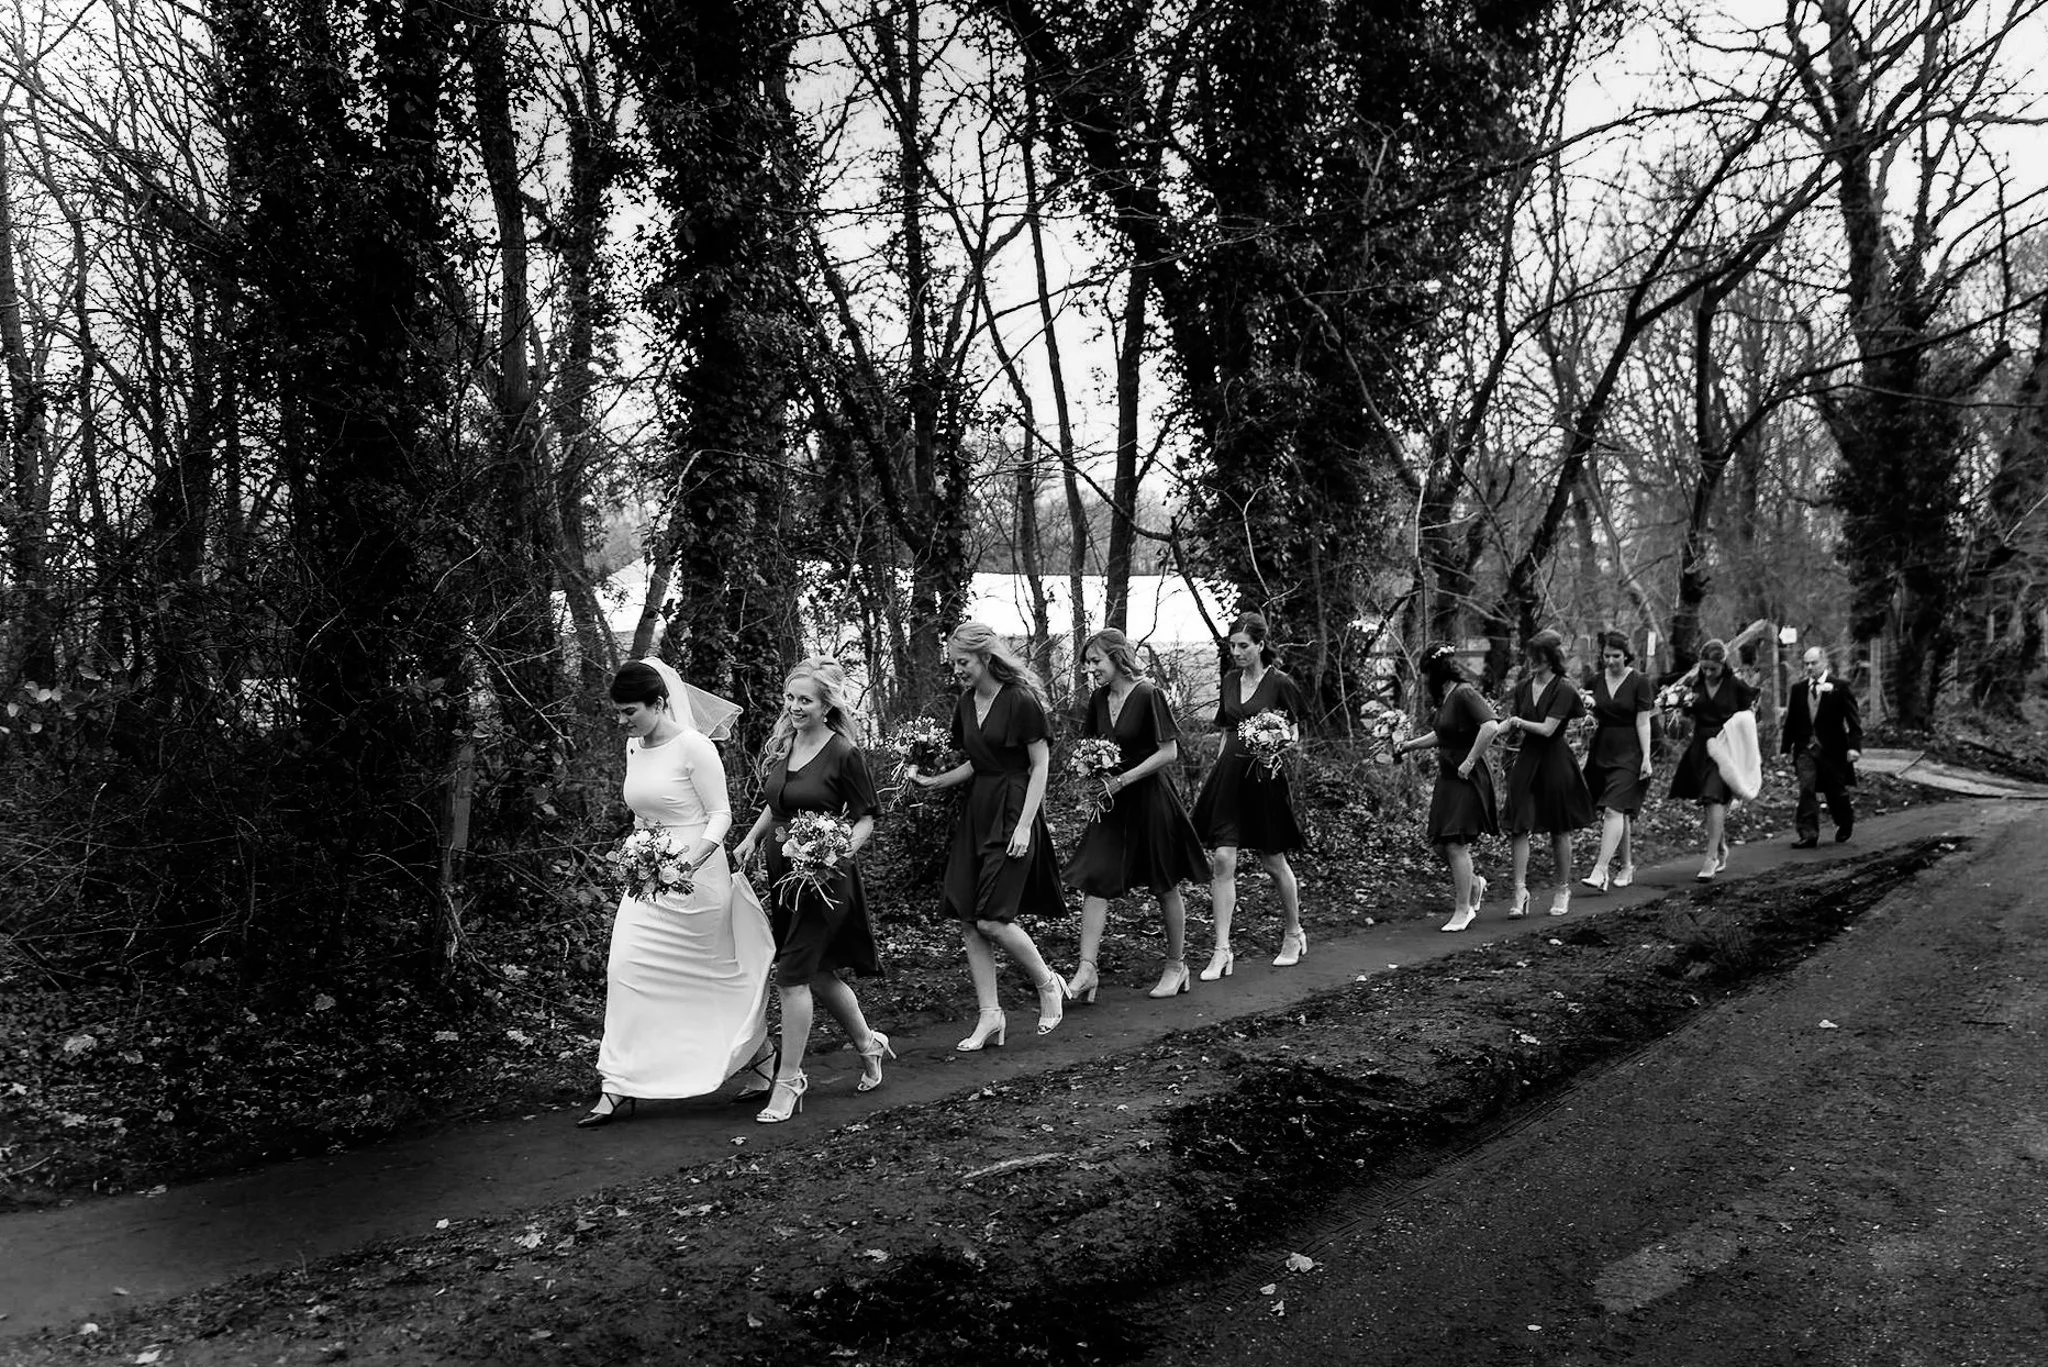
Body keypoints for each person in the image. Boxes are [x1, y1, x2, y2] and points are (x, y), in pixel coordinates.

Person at [579, 658, 774, 1128]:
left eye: (630, 712)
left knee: (709, 977)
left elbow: (721, 815)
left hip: (697, 878)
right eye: (620, 713)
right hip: (647, 877)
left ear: (659, 703)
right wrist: (637, 854)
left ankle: (762, 1057)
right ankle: (618, 1084)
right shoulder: (633, 748)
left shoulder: (695, 747)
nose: (623, 721)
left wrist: (690, 860)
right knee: (624, 967)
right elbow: (642, 814)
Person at [732, 658, 890, 1124]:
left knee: (791, 976)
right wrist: (750, 839)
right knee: (818, 973)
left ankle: (789, 1080)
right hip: (783, 879)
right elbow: (776, 803)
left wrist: (836, 854)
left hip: (824, 880)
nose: (795, 707)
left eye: (806, 700)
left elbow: (865, 816)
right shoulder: (784, 743)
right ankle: (868, 1042)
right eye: (791, 698)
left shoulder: (843, 753)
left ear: (827, 706)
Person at [907, 622, 1070, 1049]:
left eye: (962, 662)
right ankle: (990, 1016)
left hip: (1014, 809)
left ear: (984, 658)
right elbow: (979, 761)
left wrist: (1023, 826)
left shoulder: (1020, 700)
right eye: (953, 662)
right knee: (968, 919)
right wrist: (937, 781)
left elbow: (1040, 765)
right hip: (978, 810)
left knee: (992, 918)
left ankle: (1047, 981)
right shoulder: (965, 702)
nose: (957, 669)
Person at [1061, 629, 1211, 1002]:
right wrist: (1092, 774)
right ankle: (1087, 970)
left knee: (1164, 883)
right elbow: (1092, 747)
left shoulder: (1148, 694)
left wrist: (1124, 778)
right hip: (1111, 804)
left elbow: (1169, 752)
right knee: (1095, 879)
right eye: (1087, 663)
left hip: (1149, 800)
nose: (1089, 669)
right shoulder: (1097, 700)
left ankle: (1177, 966)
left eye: (1096, 661)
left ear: (1117, 657)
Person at [1190, 613, 1309, 980]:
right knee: (1223, 860)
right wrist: (1215, 771)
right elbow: (1226, 731)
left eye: (1244, 645)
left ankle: (1293, 933)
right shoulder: (1228, 681)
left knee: (1273, 861)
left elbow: (1295, 733)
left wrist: (1275, 743)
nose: (1237, 651)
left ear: (1260, 645)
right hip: (1228, 779)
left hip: (1264, 780)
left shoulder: (1280, 683)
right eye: (1233, 645)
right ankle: (1221, 950)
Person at [1396, 642, 1501, 931]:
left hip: (1466, 776)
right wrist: (1407, 746)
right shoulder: (1447, 698)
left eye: (1426, 674)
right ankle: (1475, 884)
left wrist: (1469, 761)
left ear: (1435, 672)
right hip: (1448, 778)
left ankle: (1463, 910)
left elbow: (1490, 726)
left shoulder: (1465, 693)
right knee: (1442, 845)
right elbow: (1441, 734)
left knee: (1455, 843)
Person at [1496, 629, 1597, 916]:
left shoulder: (1564, 688)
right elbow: (1513, 726)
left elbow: (1548, 730)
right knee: (1518, 825)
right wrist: (1496, 731)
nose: (1532, 662)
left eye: (1538, 657)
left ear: (1552, 657)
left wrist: (1516, 722)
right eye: (1530, 657)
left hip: (1555, 761)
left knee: (1558, 828)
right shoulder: (1523, 687)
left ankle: (1562, 888)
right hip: (1527, 760)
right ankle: (1519, 892)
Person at [1666, 638, 1759, 880]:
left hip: (1726, 748)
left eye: (1713, 669)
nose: (1708, 673)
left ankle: (1711, 858)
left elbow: (1749, 718)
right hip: (1700, 747)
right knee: (1709, 803)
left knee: (1714, 796)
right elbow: (1686, 716)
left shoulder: (1736, 686)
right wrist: (1677, 707)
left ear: (1723, 664)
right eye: (1704, 668)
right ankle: (1720, 845)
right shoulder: (1694, 686)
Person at [1579, 630, 1655, 892]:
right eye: (1606, 656)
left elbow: (1643, 720)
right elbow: (1588, 715)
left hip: (1630, 750)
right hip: (1602, 748)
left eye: (1616, 656)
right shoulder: (1596, 680)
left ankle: (1600, 870)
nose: (1610, 661)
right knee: (1616, 812)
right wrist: (1586, 709)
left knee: (1613, 809)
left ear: (1626, 655)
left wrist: (1646, 757)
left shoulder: (1639, 681)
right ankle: (1626, 866)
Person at [1781, 644, 1863, 847]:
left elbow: (1854, 722)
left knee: (1836, 791)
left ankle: (1845, 821)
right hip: (1805, 749)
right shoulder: (1798, 689)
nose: (1809, 667)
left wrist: (1854, 747)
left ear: (1824, 662)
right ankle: (1808, 834)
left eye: (1813, 663)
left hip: (1833, 749)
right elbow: (1791, 720)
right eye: (1806, 663)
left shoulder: (1840, 687)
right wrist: (1785, 748)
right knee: (1806, 788)